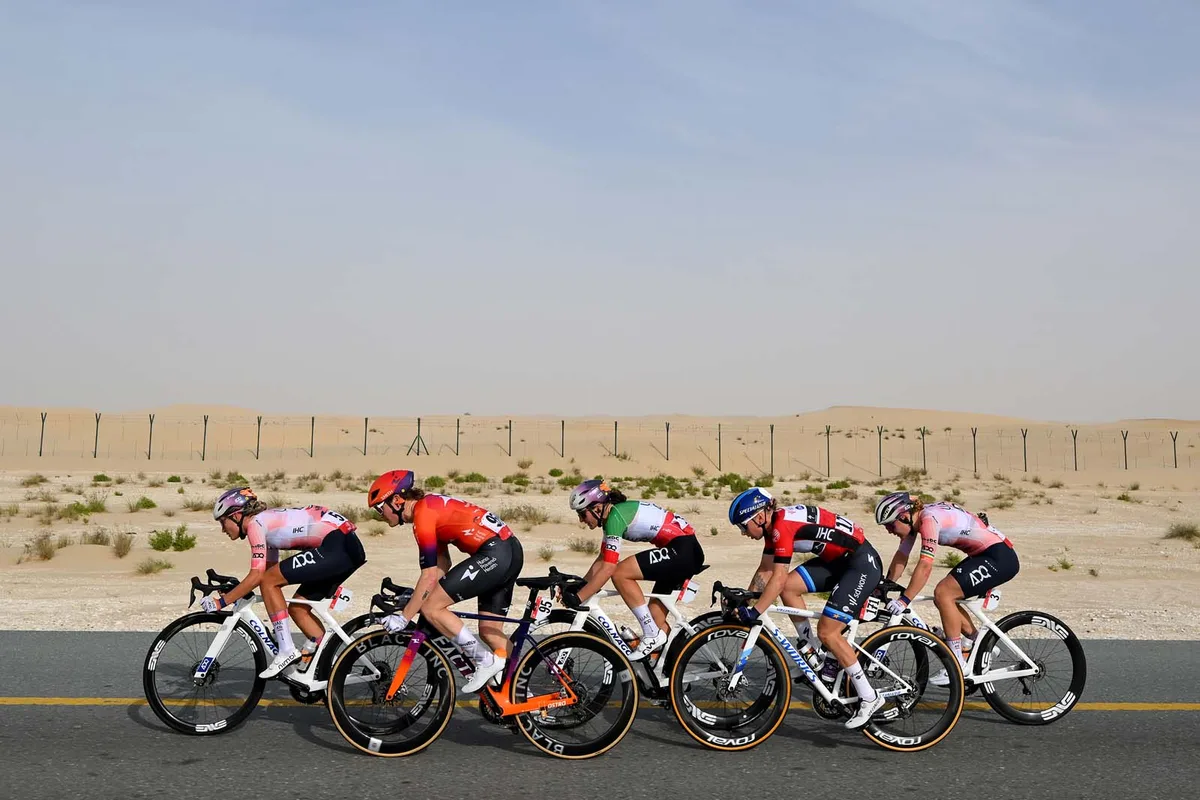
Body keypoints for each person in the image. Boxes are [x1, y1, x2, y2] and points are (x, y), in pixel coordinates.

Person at [728, 487, 885, 730]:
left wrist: (756, 612)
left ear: (758, 517)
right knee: (789, 588)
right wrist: (745, 600)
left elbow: (776, 578)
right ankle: (813, 654)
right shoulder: (773, 526)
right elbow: (766, 572)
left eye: (742, 526)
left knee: (828, 632)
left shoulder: (781, 528)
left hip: (860, 564)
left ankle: (869, 697)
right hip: (837, 562)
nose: (742, 533)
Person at [368, 469, 524, 693]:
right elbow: (442, 565)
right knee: (489, 631)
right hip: (509, 550)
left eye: (379, 507)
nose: (380, 514)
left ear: (397, 500)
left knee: (432, 607)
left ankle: (484, 661)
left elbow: (430, 574)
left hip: (495, 553)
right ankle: (521, 695)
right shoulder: (429, 507)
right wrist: (417, 597)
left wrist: (404, 617)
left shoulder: (422, 516)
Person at [209, 487, 367, 679]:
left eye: (223, 522)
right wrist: (240, 591)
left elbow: (259, 577)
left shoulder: (255, 525)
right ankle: (326, 669)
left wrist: (222, 602)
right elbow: (269, 570)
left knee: (268, 582)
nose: (222, 529)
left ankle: (286, 650)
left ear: (236, 515)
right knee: (298, 609)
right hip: (346, 547)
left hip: (337, 546)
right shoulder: (266, 522)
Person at [874, 492, 1020, 682]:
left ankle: (957, 663)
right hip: (983, 554)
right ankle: (977, 642)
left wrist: (904, 600)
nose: (888, 530)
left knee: (943, 593)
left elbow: (925, 565)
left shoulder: (928, 520)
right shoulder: (914, 522)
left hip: (999, 558)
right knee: (944, 598)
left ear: (904, 516)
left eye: (890, 524)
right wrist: (885, 586)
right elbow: (902, 556)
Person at [566, 479, 706, 660]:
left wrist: (579, 597)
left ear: (597, 508)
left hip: (682, 550)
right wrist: (580, 585)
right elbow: (602, 559)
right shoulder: (614, 515)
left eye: (583, 514)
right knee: (656, 620)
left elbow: (609, 568)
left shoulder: (615, 517)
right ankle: (668, 675)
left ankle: (650, 634)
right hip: (683, 550)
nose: (581, 520)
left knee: (620, 573)